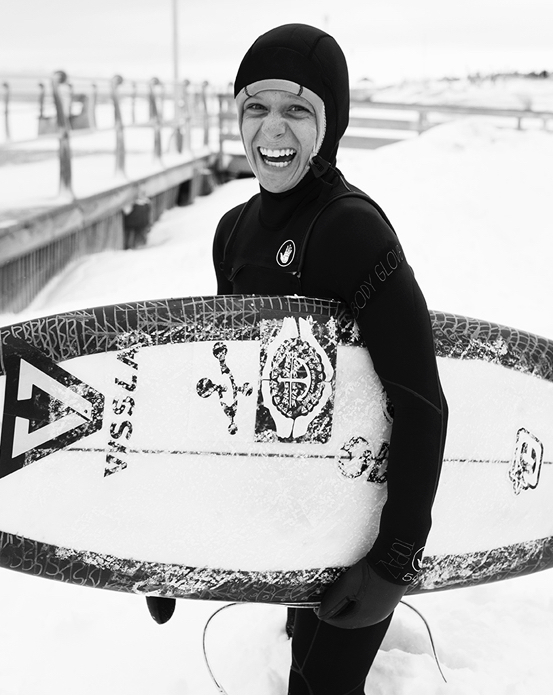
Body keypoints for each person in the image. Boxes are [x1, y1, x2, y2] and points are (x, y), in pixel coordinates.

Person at [148, 23, 448, 694]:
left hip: (359, 525)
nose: (271, 129)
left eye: (296, 109)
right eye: (255, 107)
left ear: (329, 123)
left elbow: (423, 402)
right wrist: (175, 544)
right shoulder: (233, 233)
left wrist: (391, 563)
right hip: (288, 511)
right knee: (295, 651)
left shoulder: (351, 230)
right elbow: (230, 396)